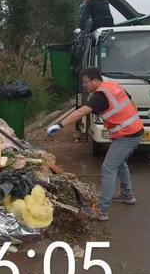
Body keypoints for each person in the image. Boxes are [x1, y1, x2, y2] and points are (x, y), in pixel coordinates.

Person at [47, 67, 143, 221]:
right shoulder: (113, 86)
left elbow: (80, 112)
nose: (85, 86)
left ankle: (101, 210)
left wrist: (59, 125)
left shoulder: (100, 96)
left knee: (108, 168)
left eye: (86, 82)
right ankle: (127, 195)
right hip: (133, 130)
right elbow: (132, 103)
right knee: (120, 162)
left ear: (95, 80)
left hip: (127, 135)